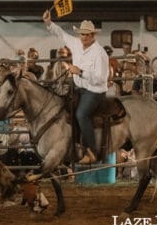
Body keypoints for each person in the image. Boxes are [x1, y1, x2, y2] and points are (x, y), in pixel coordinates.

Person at [43, 10, 109, 165]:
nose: (83, 37)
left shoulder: (100, 54)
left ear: (93, 36)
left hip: (95, 91)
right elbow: (61, 34)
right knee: (64, 109)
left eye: (87, 34)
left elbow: (101, 79)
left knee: (81, 114)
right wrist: (48, 23)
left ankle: (92, 151)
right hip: (79, 88)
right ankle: (71, 146)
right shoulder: (76, 43)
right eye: (82, 34)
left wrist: (80, 72)